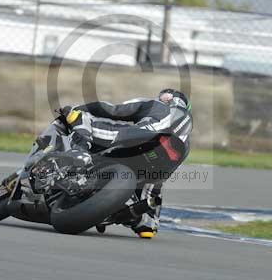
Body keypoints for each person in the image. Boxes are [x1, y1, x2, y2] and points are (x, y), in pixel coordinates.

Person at [60, 89, 193, 238]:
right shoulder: (186, 143)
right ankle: (146, 222)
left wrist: (81, 108)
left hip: (141, 138)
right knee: (152, 185)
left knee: (80, 120)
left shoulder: (157, 105)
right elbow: (159, 179)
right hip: (165, 160)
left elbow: (113, 110)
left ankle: (80, 153)